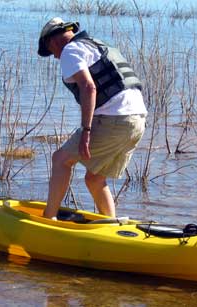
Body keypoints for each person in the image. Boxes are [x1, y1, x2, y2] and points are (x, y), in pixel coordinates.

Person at [38, 17, 147, 219]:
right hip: (137, 120)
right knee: (95, 178)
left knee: (61, 160)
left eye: (51, 52)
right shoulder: (96, 45)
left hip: (115, 119)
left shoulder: (70, 51)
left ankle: (48, 218)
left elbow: (89, 87)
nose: (54, 57)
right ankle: (110, 226)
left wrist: (86, 131)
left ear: (51, 42)